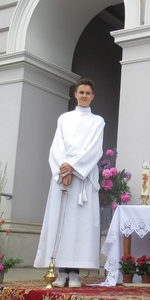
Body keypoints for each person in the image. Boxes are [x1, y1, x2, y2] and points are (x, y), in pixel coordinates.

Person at [34, 78, 105, 288]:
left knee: (79, 226)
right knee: (61, 223)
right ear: (75, 94)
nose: (84, 96)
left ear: (92, 96)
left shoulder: (97, 121)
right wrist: (62, 168)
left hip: (82, 178)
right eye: (80, 92)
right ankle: (60, 270)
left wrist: (73, 168)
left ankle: (74, 273)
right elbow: (57, 146)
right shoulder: (64, 119)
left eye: (87, 93)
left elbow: (94, 149)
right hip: (63, 176)